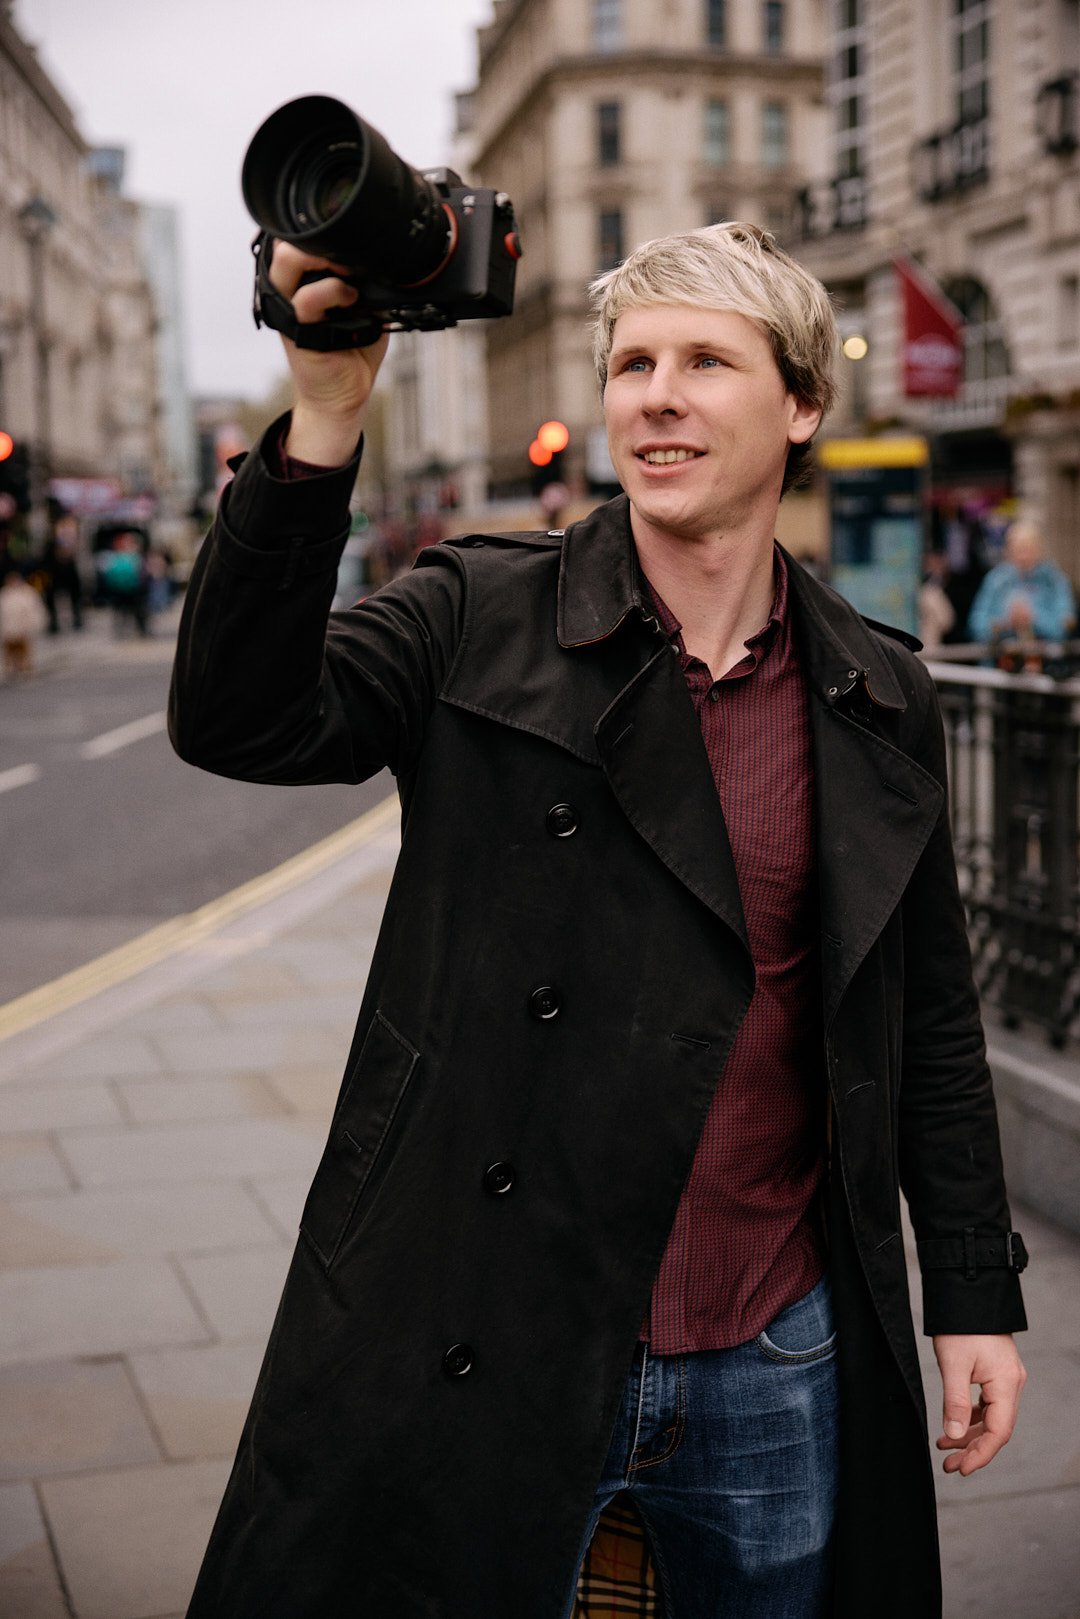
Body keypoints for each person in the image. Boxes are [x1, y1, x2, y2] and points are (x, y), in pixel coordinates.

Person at [169, 222, 1028, 1619]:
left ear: (802, 403)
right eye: (633, 363)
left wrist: (975, 1293)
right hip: (483, 1330)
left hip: (771, 1349)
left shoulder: (878, 689)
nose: (656, 396)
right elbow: (238, 716)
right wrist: (324, 417)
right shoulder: (474, 609)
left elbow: (928, 1019)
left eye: (705, 361)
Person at [967, 518, 1075, 645]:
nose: (1023, 556)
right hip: (1003, 653)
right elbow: (975, 625)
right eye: (1018, 549)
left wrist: (1033, 618)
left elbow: (1066, 626)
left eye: (1028, 549)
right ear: (1008, 551)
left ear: (1039, 550)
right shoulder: (995, 580)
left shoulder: (1053, 579)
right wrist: (1005, 623)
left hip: (1045, 653)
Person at [0, 565, 48, 678]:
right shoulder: (4, 594)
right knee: (10, 651)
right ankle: (12, 668)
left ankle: (25, 667)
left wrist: (33, 624)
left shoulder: (28, 593)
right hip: (9, 629)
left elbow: (35, 610)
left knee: (25, 650)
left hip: (24, 628)